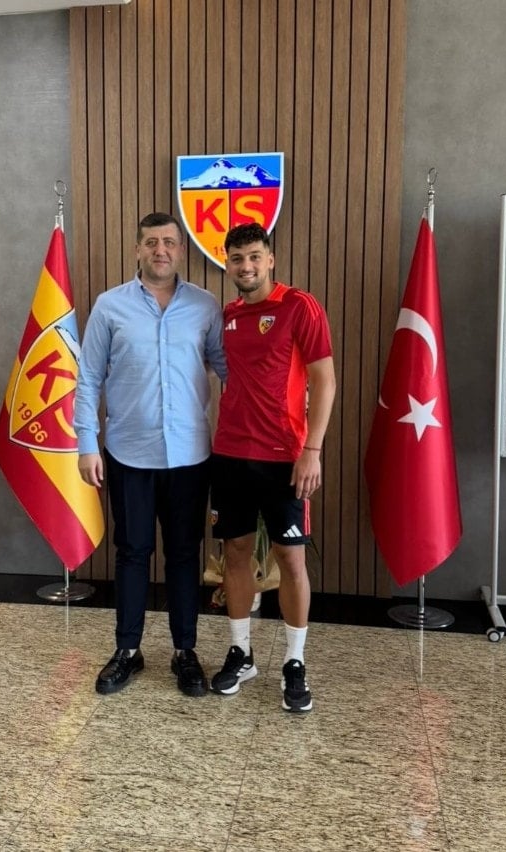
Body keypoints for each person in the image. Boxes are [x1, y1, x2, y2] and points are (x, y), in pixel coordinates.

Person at [74, 212, 226, 698]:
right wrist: (86, 444)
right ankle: (127, 651)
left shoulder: (205, 306)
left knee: (183, 554)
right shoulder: (110, 306)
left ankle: (185, 652)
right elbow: (88, 379)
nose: (161, 250)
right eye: (152, 242)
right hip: (128, 454)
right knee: (132, 552)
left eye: (169, 243)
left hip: (189, 456)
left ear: (181, 250)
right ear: (138, 249)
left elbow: (229, 370)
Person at [209, 222, 336, 712]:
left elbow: (324, 380)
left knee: (291, 560)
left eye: (254, 256)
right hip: (230, 455)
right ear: (228, 263)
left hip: (285, 458)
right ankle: (241, 653)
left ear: (270, 259)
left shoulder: (299, 306)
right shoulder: (228, 315)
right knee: (236, 554)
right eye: (237, 258)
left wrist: (312, 449)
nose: (246, 266)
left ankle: (294, 661)